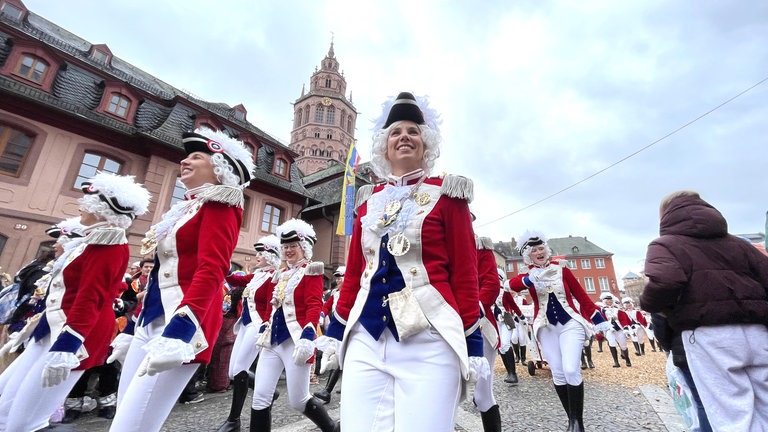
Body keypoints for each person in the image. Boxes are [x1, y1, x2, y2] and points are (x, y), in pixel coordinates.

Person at [317, 92, 486, 431]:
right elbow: (355, 274)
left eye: (413, 130)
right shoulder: (367, 201)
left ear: (426, 143)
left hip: (430, 339)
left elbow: (466, 275)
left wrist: (473, 343)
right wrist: (335, 332)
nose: (404, 136)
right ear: (385, 145)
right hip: (366, 336)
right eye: (395, 132)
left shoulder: (449, 195)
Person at [108, 126, 255, 432]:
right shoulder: (186, 209)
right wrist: (136, 326)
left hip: (183, 322)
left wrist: (181, 328)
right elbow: (161, 277)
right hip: (152, 319)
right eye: (186, 156)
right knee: (128, 416)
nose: (185, 161)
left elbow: (211, 270)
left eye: (197, 156)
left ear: (219, 168)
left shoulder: (221, 203)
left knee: (129, 426)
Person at [0, 172, 150, 431]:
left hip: (75, 335)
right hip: (53, 329)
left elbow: (90, 299)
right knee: (6, 405)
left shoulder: (110, 244)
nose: (80, 206)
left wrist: (67, 347)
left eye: (87, 202)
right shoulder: (90, 241)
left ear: (102, 209)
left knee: (25, 420)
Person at [640, 190, 768, 432]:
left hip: (710, 336)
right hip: (757, 332)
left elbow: (664, 282)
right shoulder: (740, 244)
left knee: (733, 416)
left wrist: (654, 305)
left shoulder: (666, 245)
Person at [505, 231, 610, 432]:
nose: (539, 252)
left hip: (570, 323)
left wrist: (599, 321)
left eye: (541, 248)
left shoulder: (562, 270)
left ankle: (578, 422)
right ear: (528, 255)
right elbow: (509, 286)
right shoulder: (527, 275)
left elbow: (582, 297)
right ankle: (572, 420)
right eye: (534, 250)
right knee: (559, 374)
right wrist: (531, 280)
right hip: (545, 327)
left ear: (547, 249)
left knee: (571, 369)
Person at [249, 219, 338, 432]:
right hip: (273, 340)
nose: (288, 251)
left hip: (296, 340)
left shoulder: (312, 270)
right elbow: (274, 304)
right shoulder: (280, 273)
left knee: (298, 401)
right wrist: (265, 324)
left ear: (304, 248)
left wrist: (308, 334)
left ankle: (333, 429)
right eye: (285, 247)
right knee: (260, 396)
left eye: (293, 246)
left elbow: (314, 303)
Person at [215, 235, 281, 432]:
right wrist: (222, 259)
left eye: (261, 253)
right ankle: (268, 390)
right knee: (232, 372)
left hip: (257, 325)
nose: (257, 256)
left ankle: (233, 420)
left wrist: (266, 325)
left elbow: (271, 304)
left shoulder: (274, 276)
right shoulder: (257, 275)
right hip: (244, 324)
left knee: (239, 369)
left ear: (271, 256)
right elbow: (235, 279)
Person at [474, 236, 502, 431]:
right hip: (440, 326)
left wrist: (471, 310)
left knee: (482, 394)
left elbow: (491, 285)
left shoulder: (480, 246)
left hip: (479, 324)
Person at [313, 266, 344, 404]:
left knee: (341, 360)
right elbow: (327, 306)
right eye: (336, 277)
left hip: (347, 329)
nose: (338, 280)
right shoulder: (334, 293)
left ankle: (328, 391)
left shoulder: (354, 291)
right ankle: (327, 391)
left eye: (340, 277)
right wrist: (321, 314)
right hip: (336, 328)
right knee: (336, 358)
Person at [599, 292, 632, 367]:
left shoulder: (617, 309)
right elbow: (602, 320)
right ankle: (616, 362)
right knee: (611, 343)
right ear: (604, 301)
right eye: (607, 300)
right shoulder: (602, 310)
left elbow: (623, 319)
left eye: (610, 299)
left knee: (623, 345)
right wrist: (607, 327)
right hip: (609, 330)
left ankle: (627, 359)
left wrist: (625, 327)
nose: (610, 301)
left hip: (619, 328)